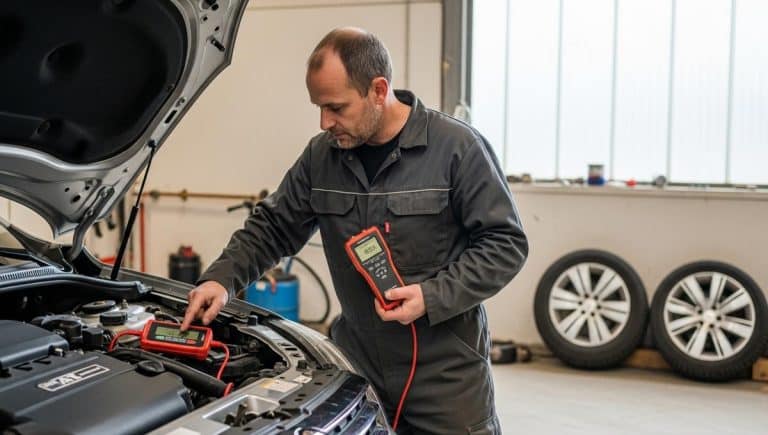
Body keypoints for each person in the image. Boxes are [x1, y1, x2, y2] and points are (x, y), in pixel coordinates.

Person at [181, 27, 528, 434]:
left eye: (337, 107)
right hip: (357, 366)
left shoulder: (457, 148)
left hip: (445, 376)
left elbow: (506, 244)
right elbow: (274, 226)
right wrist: (221, 280)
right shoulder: (321, 156)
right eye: (319, 107)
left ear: (378, 90)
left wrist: (432, 296)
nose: (325, 121)